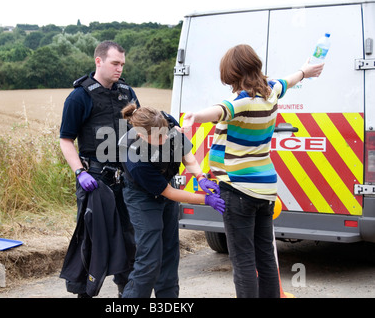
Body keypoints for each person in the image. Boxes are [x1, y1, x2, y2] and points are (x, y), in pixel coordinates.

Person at [181, 44, 324, 298]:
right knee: (266, 256)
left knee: (244, 261)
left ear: (232, 72)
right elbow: (289, 80)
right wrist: (306, 72)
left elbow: (219, 110)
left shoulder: (242, 101)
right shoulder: (271, 92)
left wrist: (195, 116)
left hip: (238, 189)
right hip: (266, 188)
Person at [118, 103, 225, 298]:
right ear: (142, 135)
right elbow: (169, 193)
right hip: (142, 198)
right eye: (159, 137)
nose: (165, 137)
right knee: (149, 258)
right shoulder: (134, 157)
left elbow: (185, 152)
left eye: (165, 132)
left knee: (170, 252)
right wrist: (205, 199)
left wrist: (200, 177)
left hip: (165, 185)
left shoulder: (163, 121)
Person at [59, 41, 139, 298]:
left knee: (129, 241)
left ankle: (126, 298)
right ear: (99, 61)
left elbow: (140, 131)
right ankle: (85, 294)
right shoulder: (79, 96)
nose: (119, 69)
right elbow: (66, 139)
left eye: (122, 64)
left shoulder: (127, 93)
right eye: (115, 63)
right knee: (92, 242)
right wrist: (79, 172)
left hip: (126, 178)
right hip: (94, 179)